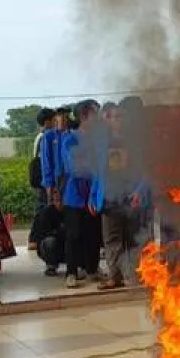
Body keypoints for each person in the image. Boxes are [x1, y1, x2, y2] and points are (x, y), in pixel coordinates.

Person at [95, 97, 151, 290]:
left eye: (120, 116)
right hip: (109, 198)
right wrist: (93, 196)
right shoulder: (102, 143)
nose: (116, 119)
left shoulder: (135, 141)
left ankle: (139, 274)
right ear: (107, 120)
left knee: (136, 238)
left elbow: (148, 169)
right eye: (112, 116)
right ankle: (114, 276)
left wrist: (139, 191)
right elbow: (97, 172)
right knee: (112, 240)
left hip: (131, 197)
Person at [60, 100, 103, 288]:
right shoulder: (70, 139)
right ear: (84, 116)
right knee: (74, 234)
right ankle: (71, 272)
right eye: (96, 113)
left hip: (95, 193)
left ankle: (92, 269)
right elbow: (74, 166)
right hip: (75, 194)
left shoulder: (99, 139)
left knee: (93, 232)